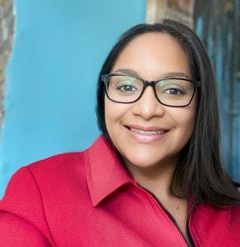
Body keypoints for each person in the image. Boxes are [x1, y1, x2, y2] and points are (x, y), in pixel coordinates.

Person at [0, 20, 239, 246]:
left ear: (201, 105)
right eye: (126, 86)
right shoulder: (38, 191)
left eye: (173, 90)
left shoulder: (232, 211)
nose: (147, 110)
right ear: (104, 96)